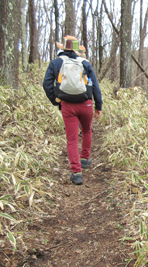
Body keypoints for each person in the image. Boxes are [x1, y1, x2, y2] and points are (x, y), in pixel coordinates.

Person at [43, 35, 103, 185]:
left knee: (71, 138)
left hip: (67, 104)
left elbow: (47, 84)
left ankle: (76, 173)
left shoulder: (56, 63)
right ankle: (85, 158)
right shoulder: (85, 63)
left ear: (62, 48)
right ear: (77, 50)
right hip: (86, 103)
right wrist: (98, 106)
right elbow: (95, 85)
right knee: (87, 130)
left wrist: (56, 101)